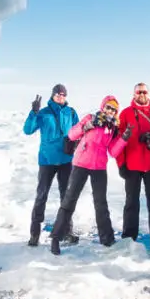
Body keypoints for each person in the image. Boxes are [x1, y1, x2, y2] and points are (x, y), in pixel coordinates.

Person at [49, 96, 131, 255]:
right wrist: (86, 126)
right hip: (81, 164)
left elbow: (113, 152)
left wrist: (124, 139)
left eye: (114, 109)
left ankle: (107, 239)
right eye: (108, 107)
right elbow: (72, 135)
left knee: (101, 204)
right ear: (103, 106)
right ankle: (56, 238)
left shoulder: (112, 128)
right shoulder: (91, 118)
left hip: (99, 167)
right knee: (69, 201)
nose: (111, 111)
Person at [23, 84, 80, 246]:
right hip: (47, 161)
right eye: (58, 94)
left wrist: (76, 143)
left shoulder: (71, 112)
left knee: (66, 198)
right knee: (41, 196)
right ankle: (34, 234)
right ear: (53, 95)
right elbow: (28, 130)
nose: (61, 97)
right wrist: (34, 112)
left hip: (66, 161)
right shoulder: (44, 113)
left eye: (63, 95)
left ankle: (67, 232)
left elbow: (79, 132)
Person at [117, 83, 150, 247]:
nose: (142, 94)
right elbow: (119, 141)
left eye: (144, 91)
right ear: (133, 94)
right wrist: (121, 164)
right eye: (138, 92)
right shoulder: (125, 114)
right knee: (131, 202)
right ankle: (129, 237)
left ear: (148, 93)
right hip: (132, 166)